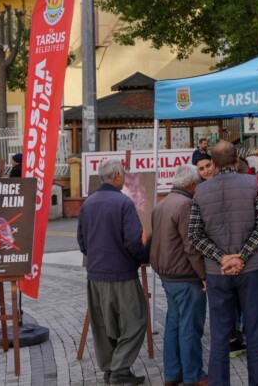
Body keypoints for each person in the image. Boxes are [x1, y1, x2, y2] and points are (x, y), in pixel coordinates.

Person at [188, 140, 258, 386]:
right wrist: (242, 256)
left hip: (218, 272)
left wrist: (222, 257)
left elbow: (194, 235)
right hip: (252, 269)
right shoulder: (252, 184)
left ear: (212, 163)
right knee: (255, 331)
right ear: (237, 161)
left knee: (219, 335)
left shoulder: (200, 192)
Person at [77, 159, 149, 385]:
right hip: (121, 274)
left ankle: (110, 369)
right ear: (118, 176)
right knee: (136, 321)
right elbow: (134, 242)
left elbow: (82, 242)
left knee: (103, 325)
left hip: (95, 274)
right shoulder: (123, 202)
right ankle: (119, 369)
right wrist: (143, 258)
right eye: (123, 175)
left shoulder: (88, 203)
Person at [150, 164, 208, 386]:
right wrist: (204, 275)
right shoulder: (186, 205)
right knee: (189, 327)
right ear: (192, 184)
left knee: (174, 324)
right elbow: (191, 246)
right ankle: (194, 375)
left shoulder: (163, 203)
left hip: (167, 274)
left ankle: (172, 374)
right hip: (185, 275)